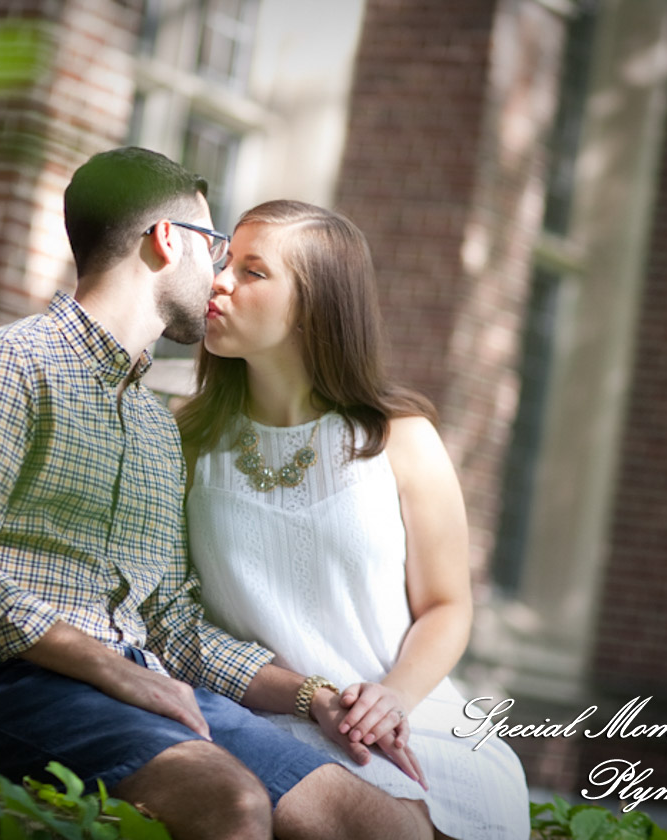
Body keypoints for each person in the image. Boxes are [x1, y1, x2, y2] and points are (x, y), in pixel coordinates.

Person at [0, 149, 431, 840]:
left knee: (385, 826)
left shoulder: (153, 424)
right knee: (231, 803)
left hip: (132, 684)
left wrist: (311, 696)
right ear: (168, 240)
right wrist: (111, 670)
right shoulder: (10, 362)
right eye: (215, 246)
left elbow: (172, 620)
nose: (219, 274)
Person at [177, 199, 532, 840]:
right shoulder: (185, 441)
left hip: (411, 721)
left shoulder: (401, 438)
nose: (218, 281)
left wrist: (393, 696)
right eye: (225, 262)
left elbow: (447, 606)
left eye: (252, 271)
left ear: (314, 307)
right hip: (262, 725)